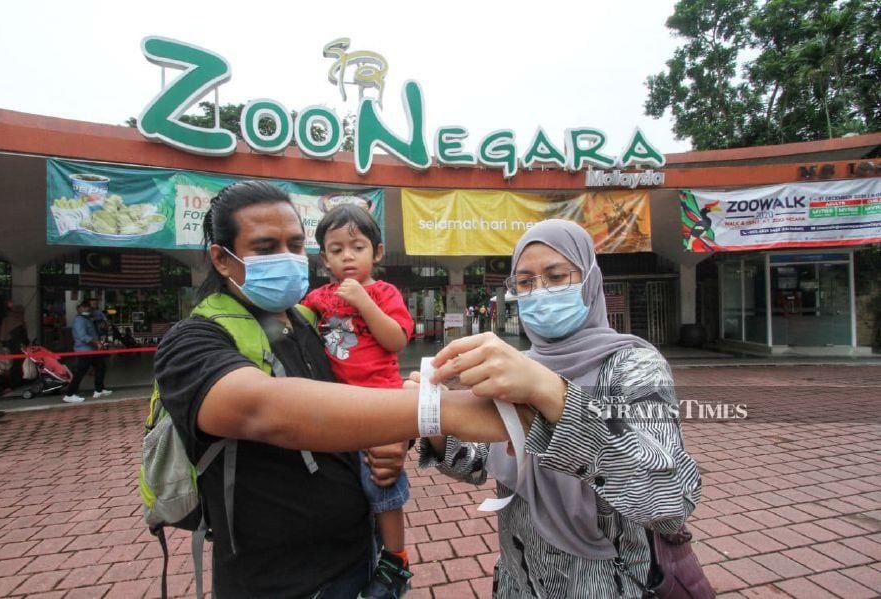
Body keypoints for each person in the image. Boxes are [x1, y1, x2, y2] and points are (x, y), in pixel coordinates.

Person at [152, 180, 508, 598]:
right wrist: (437, 410)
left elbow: (360, 384)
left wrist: (392, 439)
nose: (286, 258)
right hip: (278, 582)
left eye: (295, 244)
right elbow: (261, 410)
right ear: (222, 259)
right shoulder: (193, 340)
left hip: (361, 560)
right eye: (267, 247)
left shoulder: (309, 322)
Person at [418, 219, 703, 598]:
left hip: (609, 584)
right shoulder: (515, 367)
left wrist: (550, 393)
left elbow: (669, 499)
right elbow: (480, 462)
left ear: (589, 281)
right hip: (520, 581)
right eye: (525, 282)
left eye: (556, 276)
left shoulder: (633, 365)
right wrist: (434, 424)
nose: (540, 292)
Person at [301, 204, 415, 598]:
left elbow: (397, 339)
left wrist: (364, 302)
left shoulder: (385, 292)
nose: (347, 256)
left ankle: (395, 557)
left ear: (377, 253)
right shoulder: (319, 297)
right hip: (338, 406)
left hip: (380, 404)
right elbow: (296, 324)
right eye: (336, 249)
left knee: (381, 480)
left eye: (357, 246)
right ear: (324, 259)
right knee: (346, 482)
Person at [62, 301, 112, 403]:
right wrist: (96, 343)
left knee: (101, 367)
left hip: (92, 350)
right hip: (84, 351)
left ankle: (99, 389)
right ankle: (69, 394)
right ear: (79, 309)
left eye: (89, 308)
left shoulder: (88, 318)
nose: (87, 310)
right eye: (85, 308)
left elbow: (100, 320)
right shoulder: (79, 320)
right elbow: (82, 336)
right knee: (80, 372)